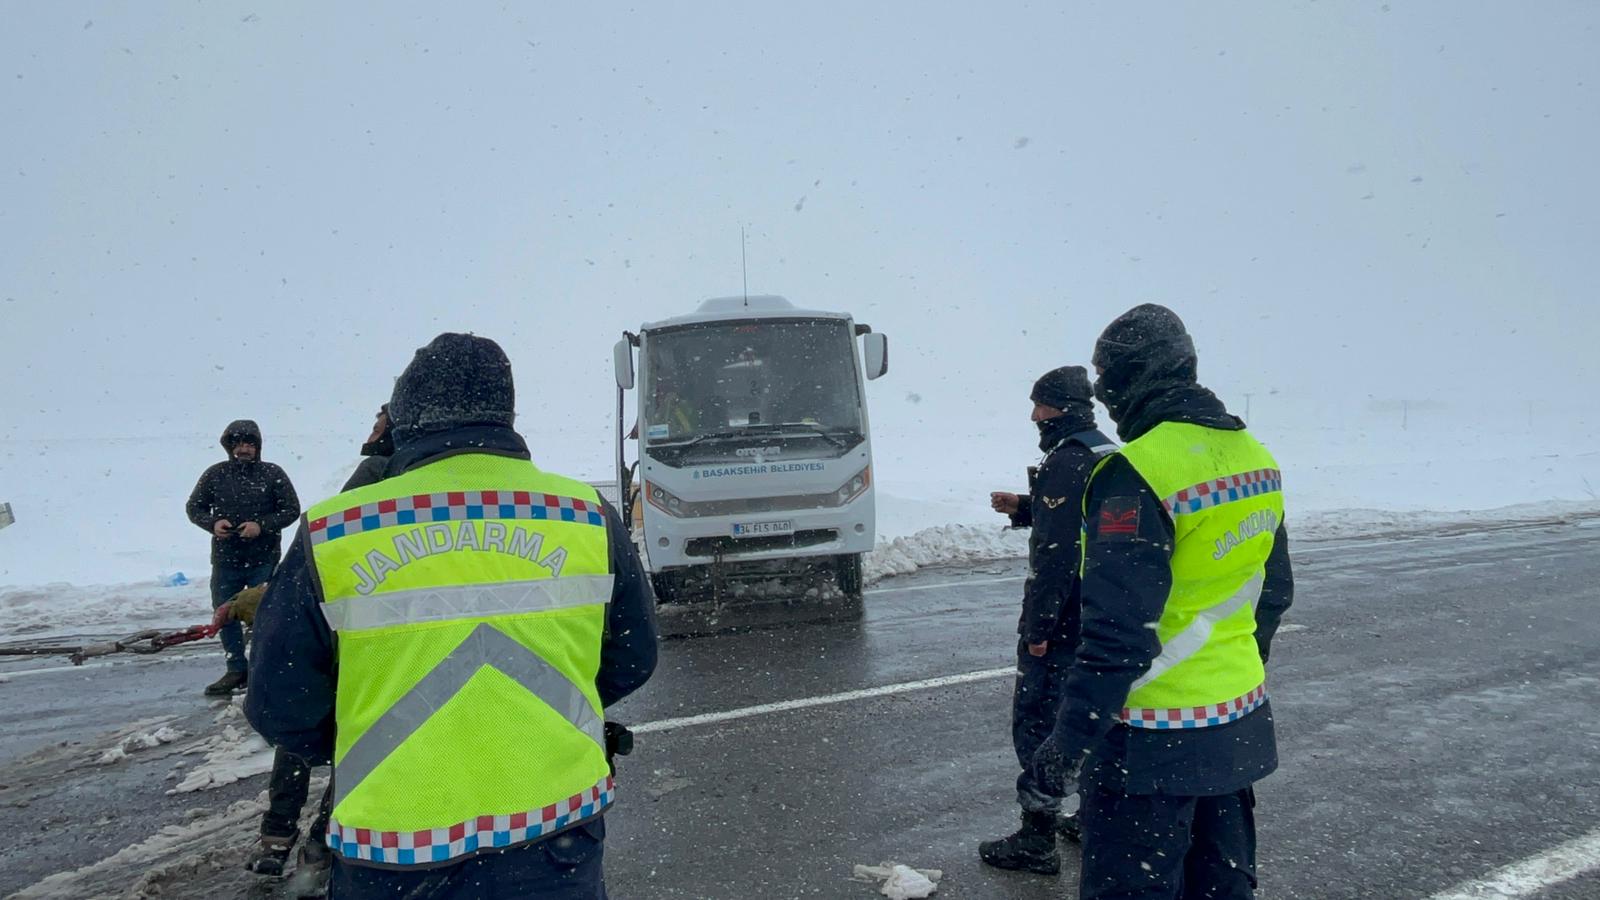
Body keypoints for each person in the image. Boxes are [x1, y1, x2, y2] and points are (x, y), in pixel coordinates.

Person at [245, 333, 658, 899]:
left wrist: (370, 740)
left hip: (393, 850)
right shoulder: (584, 515)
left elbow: (278, 701)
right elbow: (632, 656)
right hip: (557, 833)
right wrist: (544, 718)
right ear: (504, 413)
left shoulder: (334, 531)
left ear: (407, 415)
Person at [1031, 305, 1294, 900]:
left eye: (1107, 378)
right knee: (1220, 888)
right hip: (1237, 723)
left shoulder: (1138, 471)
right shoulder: (1255, 457)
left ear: (1130, 379)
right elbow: (1272, 592)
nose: (1104, 394)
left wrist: (1069, 742)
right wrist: (1228, 673)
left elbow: (1119, 633)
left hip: (1148, 741)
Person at [214, 403, 396, 887]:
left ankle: (280, 841)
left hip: (340, 636)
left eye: (377, 422)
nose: (371, 431)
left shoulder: (378, 470)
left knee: (299, 742)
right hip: (374, 648)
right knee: (356, 754)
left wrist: (256, 601)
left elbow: (328, 554)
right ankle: (317, 852)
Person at [979, 366, 1116, 875]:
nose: (1035, 415)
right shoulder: (1107, 452)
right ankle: (1090, 816)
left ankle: (1036, 838)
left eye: (1041, 405)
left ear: (1062, 407)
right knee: (1089, 719)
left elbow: (1057, 555)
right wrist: (1027, 505)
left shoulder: (1065, 460)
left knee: (1039, 723)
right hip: (1099, 614)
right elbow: (1089, 517)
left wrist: (1038, 630)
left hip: (1063, 621)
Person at [185, 419, 300, 696]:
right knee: (225, 614)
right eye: (237, 443)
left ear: (257, 446)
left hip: (264, 558)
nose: (243, 449)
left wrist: (261, 525)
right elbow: (194, 507)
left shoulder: (272, 474)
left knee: (267, 613)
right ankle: (236, 668)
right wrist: (213, 524)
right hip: (226, 561)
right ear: (229, 446)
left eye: (249, 443)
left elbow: (291, 509)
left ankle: (267, 668)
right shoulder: (215, 475)